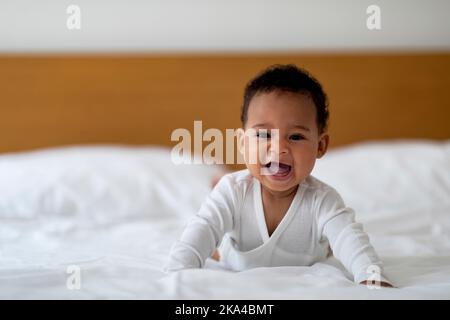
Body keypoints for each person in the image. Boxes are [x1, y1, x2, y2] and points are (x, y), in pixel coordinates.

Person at [165, 64, 393, 287]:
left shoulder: (322, 200)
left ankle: (325, 244)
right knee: (218, 220)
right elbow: (200, 232)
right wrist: (176, 273)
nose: (279, 148)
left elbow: (349, 238)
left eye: (295, 137)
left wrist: (371, 276)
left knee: (333, 243)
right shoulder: (233, 191)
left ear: (321, 146)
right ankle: (218, 182)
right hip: (232, 253)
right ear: (243, 144)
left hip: (313, 247)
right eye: (264, 134)